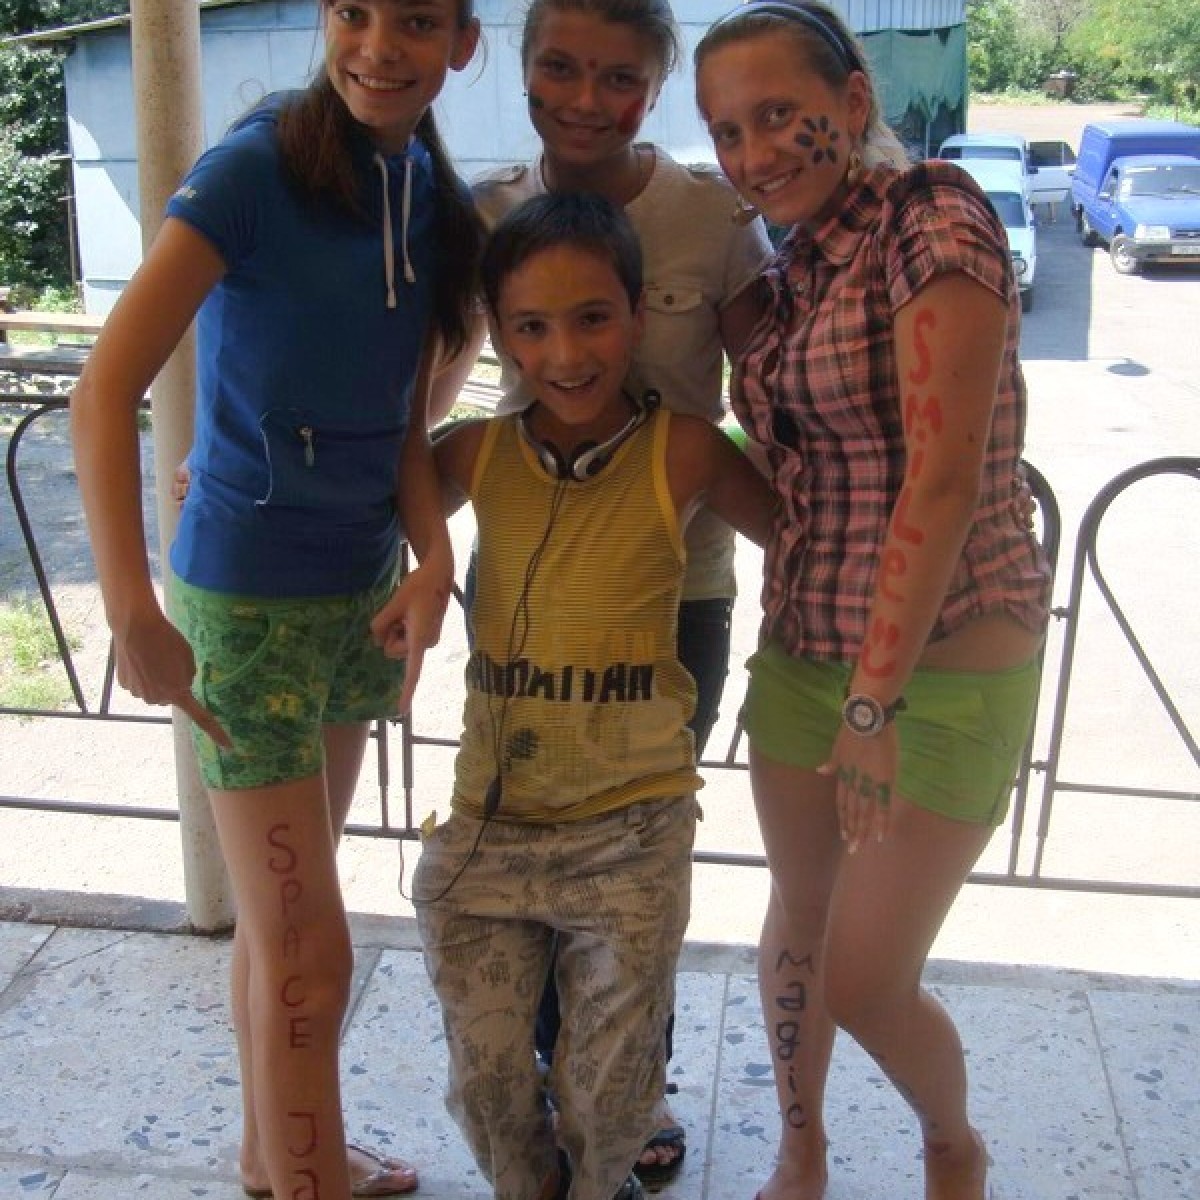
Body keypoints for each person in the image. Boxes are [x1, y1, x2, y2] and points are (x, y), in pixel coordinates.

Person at [69, 2, 481, 1197]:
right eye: (354, 11)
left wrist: (431, 556)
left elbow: (401, 427)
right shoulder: (254, 171)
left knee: (279, 923)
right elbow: (103, 392)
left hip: (357, 595)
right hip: (244, 606)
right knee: (312, 948)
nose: (379, 46)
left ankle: (276, 1154)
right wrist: (132, 606)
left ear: (461, 42)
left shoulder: (430, 200)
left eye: (416, 21)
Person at [693, 4, 1053, 1199]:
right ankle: (801, 1147)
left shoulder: (930, 216)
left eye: (779, 116)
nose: (754, 154)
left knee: (864, 975)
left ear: (852, 103)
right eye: (727, 131)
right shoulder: (791, 265)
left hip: (942, 664)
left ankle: (951, 1140)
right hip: (805, 645)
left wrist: (872, 702)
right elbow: (811, 478)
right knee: (800, 918)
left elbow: (942, 481)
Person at [389, 191, 776, 1200]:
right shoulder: (477, 452)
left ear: (639, 316)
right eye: (531, 326)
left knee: (612, 1097)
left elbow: (806, 535)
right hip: (490, 831)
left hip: (630, 835)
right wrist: (431, 559)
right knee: (485, 1087)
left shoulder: (683, 448)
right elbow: (390, 467)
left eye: (593, 317)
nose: (564, 353)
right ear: (500, 334)